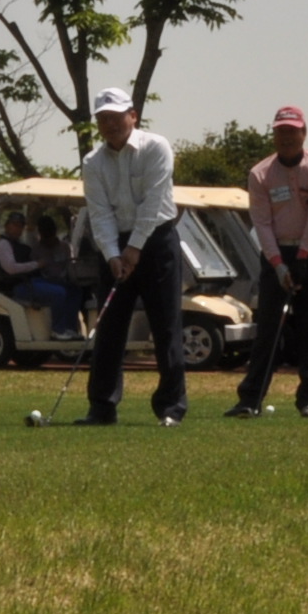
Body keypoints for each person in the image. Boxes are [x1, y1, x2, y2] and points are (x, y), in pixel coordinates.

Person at [78, 86, 185, 426]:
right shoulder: (93, 162)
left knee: (165, 326)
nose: (110, 124)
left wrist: (135, 248)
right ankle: (102, 407)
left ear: (133, 116)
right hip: (115, 245)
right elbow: (99, 213)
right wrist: (112, 254)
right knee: (109, 328)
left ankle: (171, 408)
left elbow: (154, 203)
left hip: (157, 241)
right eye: (103, 119)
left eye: (116, 116)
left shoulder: (156, 147)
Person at [231, 104, 308, 418]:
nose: (287, 137)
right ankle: (250, 399)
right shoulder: (260, 173)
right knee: (268, 327)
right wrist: (278, 265)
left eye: (292, 131)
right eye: (281, 132)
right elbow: (261, 223)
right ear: (274, 135)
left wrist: (303, 257)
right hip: (275, 252)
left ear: (304, 133)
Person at [0, 211, 80, 337]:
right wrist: (37, 264)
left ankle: (70, 328)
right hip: (17, 286)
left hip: (29, 282)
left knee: (73, 289)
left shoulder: (19, 244)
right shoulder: (3, 244)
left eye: (20, 226)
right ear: (7, 226)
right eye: (14, 225)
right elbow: (11, 268)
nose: (17, 229)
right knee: (59, 292)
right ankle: (58, 330)